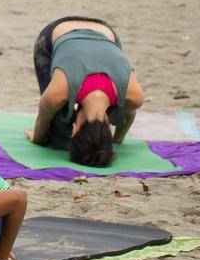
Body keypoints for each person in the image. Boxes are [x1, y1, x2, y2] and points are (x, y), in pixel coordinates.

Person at [29, 15, 145, 167]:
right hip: (60, 31)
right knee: (58, 140)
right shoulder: (57, 93)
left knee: (57, 136)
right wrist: (37, 139)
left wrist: (116, 140)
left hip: (106, 32)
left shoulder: (134, 95)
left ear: (109, 128)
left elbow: (129, 114)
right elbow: (41, 121)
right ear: (75, 130)